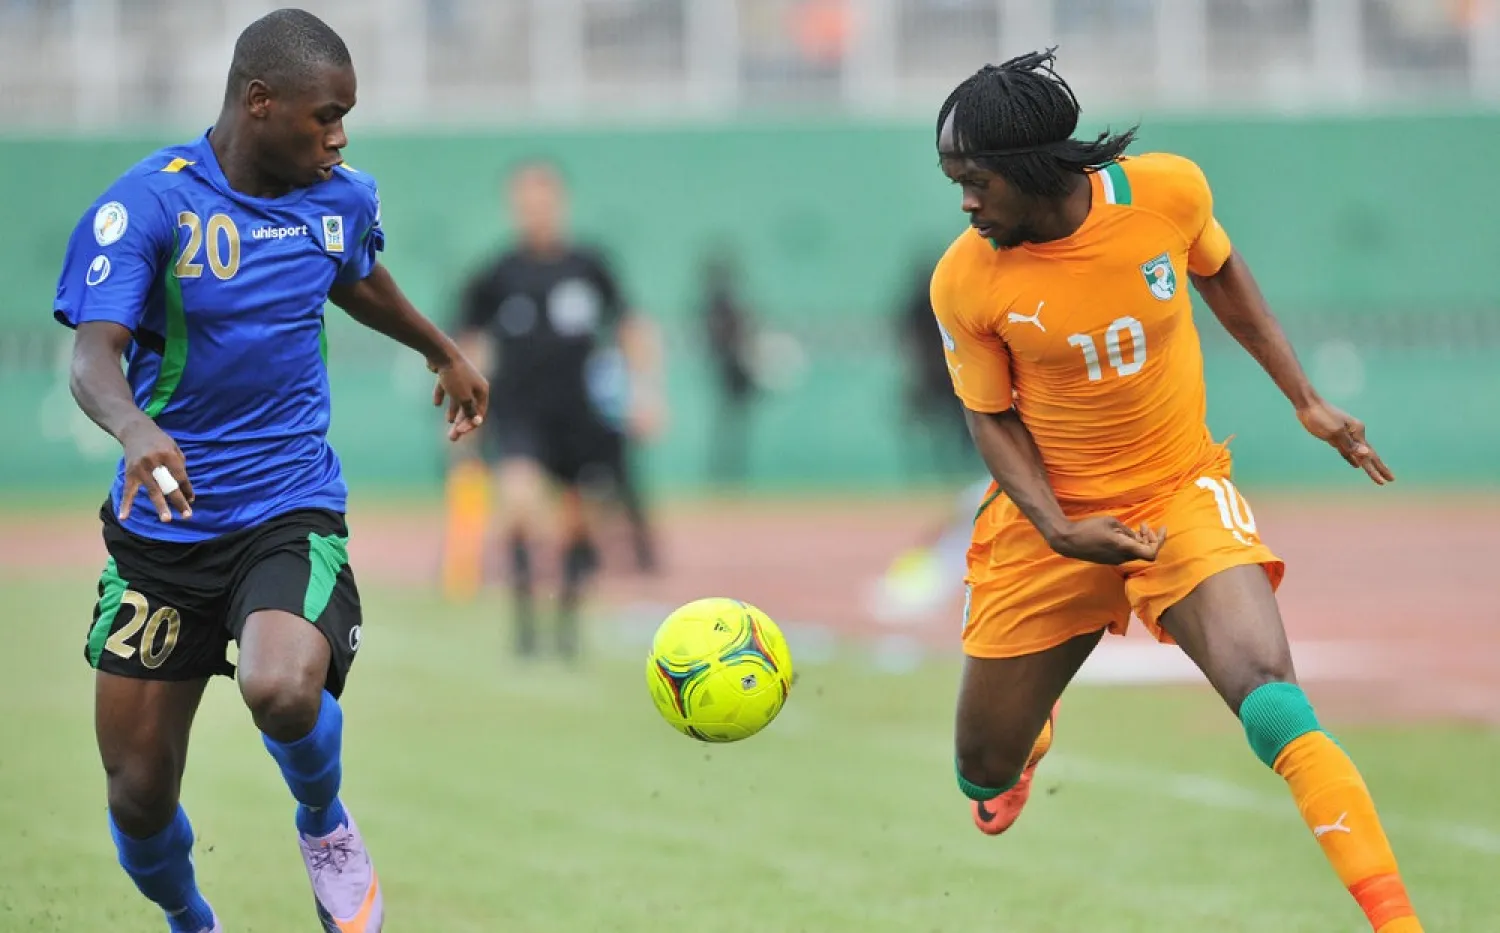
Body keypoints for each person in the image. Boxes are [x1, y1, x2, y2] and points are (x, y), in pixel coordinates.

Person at [929, 50, 1420, 932]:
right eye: (955, 182)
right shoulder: (966, 280)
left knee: (1271, 696)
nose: (964, 202)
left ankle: (1398, 920)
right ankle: (1031, 731)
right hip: (1051, 522)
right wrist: (1058, 526)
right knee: (981, 770)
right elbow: (991, 418)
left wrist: (1304, 397)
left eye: (976, 181)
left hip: (1178, 492)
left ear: (1031, 166)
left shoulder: (1166, 192)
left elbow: (1219, 271)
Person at [52, 10, 488, 932]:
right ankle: (190, 919)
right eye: (326, 116)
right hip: (164, 531)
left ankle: (325, 822)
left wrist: (439, 348)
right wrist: (134, 428)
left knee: (282, 688)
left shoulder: (340, 198)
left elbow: (353, 274)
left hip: (287, 508)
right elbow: (93, 354)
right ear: (260, 101)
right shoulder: (149, 207)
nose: (340, 139)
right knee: (137, 794)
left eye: (346, 119)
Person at [455, 159, 664, 661]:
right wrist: (468, 403)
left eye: (544, 200)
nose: (536, 210)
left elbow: (631, 328)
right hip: (520, 412)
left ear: (560, 202)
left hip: (581, 415)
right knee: (519, 502)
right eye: (525, 202)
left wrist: (646, 393)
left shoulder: (589, 266)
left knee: (580, 521)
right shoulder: (497, 274)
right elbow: (470, 343)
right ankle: (525, 624)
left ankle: (567, 624)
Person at [698, 244, 761, 485]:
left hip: (735, 367)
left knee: (732, 422)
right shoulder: (718, 305)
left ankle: (730, 473)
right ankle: (724, 473)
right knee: (728, 422)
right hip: (730, 367)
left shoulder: (726, 305)